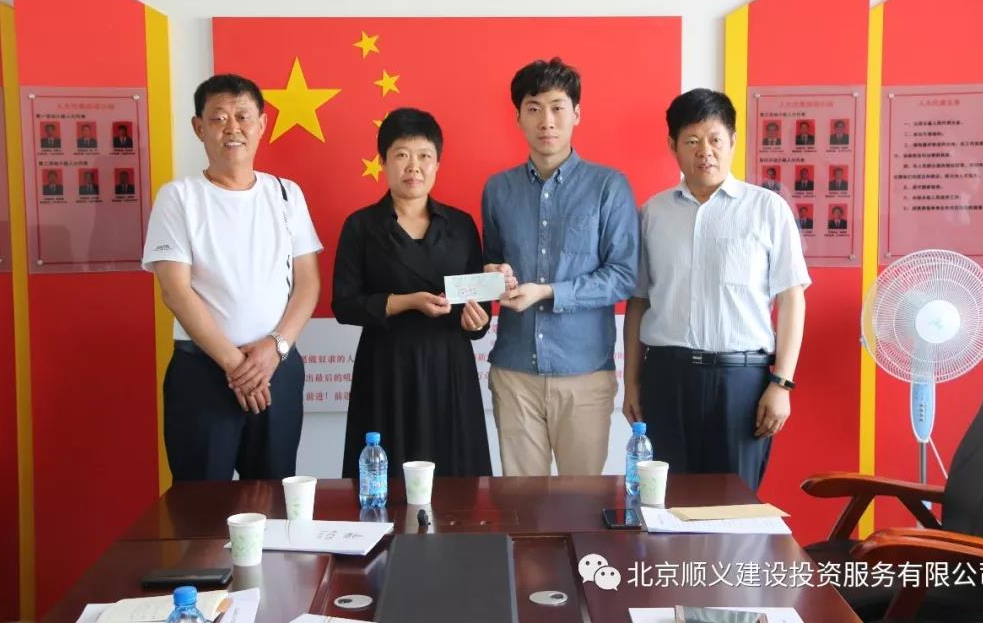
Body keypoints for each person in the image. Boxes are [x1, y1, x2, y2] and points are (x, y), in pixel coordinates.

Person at [622, 88, 810, 492]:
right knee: (667, 503)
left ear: (732, 141)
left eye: (714, 139)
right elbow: (638, 302)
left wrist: (782, 384)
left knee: (734, 503)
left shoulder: (767, 209)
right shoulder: (653, 213)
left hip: (741, 381)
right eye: (691, 141)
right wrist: (631, 383)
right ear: (673, 145)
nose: (704, 151)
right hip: (666, 377)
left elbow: (792, 298)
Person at [141, 74, 322, 482]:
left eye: (243, 116)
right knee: (200, 504)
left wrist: (275, 348)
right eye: (219, 118)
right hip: (203, 373)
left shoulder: (286, 194)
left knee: (275, 497)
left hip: (277, 369)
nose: (232, 128)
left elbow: (308, 283)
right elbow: (175, 290)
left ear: (262, 124)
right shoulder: (179, 197)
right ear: (198, 127)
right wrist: (237, 366)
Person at [482, 57, 638, 476]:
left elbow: (624, 276)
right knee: (521, 502)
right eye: (534, 108)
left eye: (557, 107)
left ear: (576, 114)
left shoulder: (608, 186)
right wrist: (492, 275)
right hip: (514, 371)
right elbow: (489, 264)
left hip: (584, 373)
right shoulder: (498, 189)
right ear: (518, 117)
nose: (546, 121)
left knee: (581, 501)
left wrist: (549, 293)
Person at [333, 108, 493, 478]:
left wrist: (476, 321)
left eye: (424, 156)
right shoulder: (361, 226)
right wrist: (408, 302)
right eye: (402, 155)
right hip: (386, 368)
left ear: (437, 163)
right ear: (383, 162)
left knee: (455, 479)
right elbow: (345, 304)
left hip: (448, 367)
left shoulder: (460, 225)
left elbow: (479, 308)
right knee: (385, 480)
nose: (414, 167)